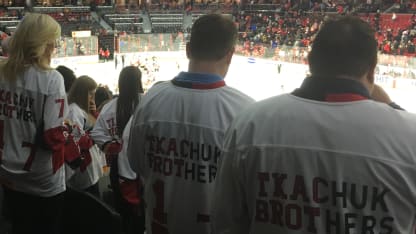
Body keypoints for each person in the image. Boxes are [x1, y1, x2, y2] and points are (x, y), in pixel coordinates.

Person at [211, 15, 416, 234]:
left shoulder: (250, 122)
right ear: (372, 68)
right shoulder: (409, 136)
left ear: (310, 60)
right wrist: (391, 106)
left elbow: (225, 222)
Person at [127, 14, 255, 234]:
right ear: (230, 54)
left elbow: (136, 164)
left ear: (187, 49)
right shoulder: (246, 111)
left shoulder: (151, 99)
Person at [0, 13, 69, 234]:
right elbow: (52, 137)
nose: (54, 47)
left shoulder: (2, 70)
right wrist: (67, 131)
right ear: (43, 44)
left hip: (7, 172)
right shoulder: (52, 79)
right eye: (53, 41)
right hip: (42, 179)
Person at [91, 66, 145, 234]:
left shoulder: (110, 106)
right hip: (142, 165)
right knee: (142, 209)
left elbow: (97, 132)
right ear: (139, 82)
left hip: (118, 167)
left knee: (123, 207)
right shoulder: (146, 102)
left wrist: (112, 147)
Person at [66, 75, 105, 197]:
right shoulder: (74, 111)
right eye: (90, 94)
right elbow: (77, 140)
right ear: (81, 93)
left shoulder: (82, 109)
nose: (92, 98)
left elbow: (100, 127)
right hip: (84, 168)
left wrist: (93, 113)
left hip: (91, 167)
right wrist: (95, 136)